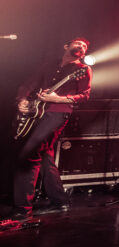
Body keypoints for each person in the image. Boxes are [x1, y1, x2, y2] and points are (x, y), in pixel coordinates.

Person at [1, 38, 92, 226]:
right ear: (66, 46)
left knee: (29, 155)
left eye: (84, 46)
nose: (81, 47)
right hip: (36, 112)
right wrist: (21, 100)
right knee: (44, 156)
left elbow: (84, 96)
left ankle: (22, 211)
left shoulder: (83, 69)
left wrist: (59, 99)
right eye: (78, 43)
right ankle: (60, 201)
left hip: (58, 113)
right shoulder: (49, 64)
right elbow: (29, 83)